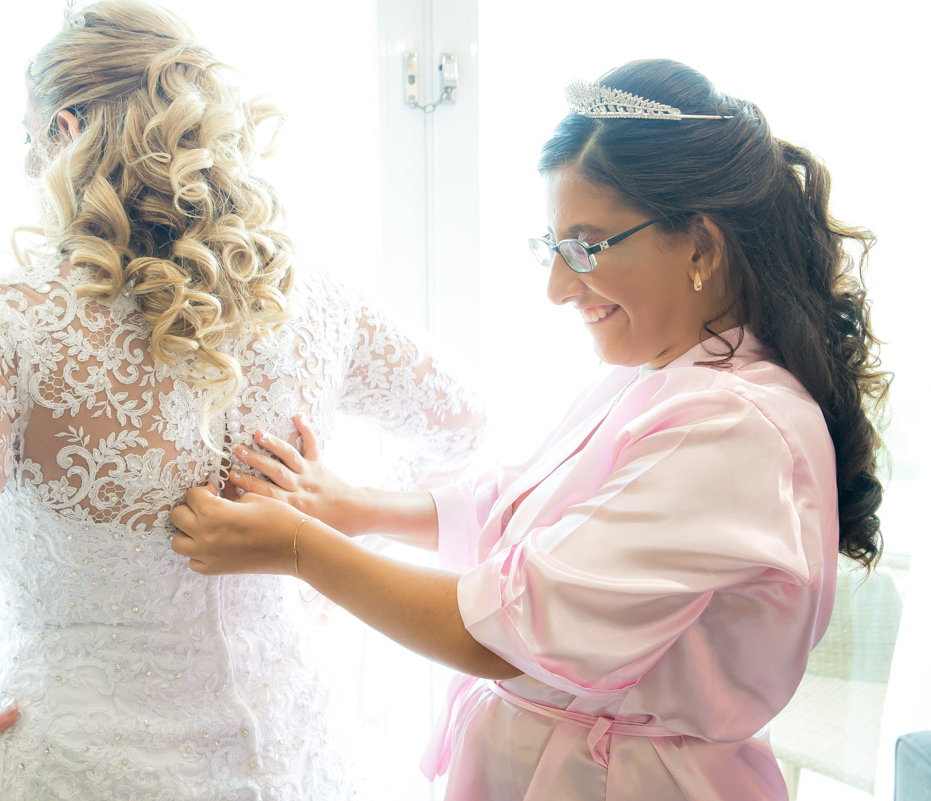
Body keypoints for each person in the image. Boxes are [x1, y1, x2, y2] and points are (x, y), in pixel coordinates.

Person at [0, 2, 484, 799]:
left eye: (26, 139)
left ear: (63, 130)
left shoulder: (12, 327)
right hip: (303, 756)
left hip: (90, 766)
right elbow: (459, 423)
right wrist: (337, 545)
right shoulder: (308, 297)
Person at [170, 58, 890, 800]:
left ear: (701, 246)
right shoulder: (659, 374)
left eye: (586, 246)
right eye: (552, 247)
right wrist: (354, 507)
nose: (556, 287)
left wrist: (298, 548)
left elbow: (509, 624)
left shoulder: (734, 426)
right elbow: (518, 508)